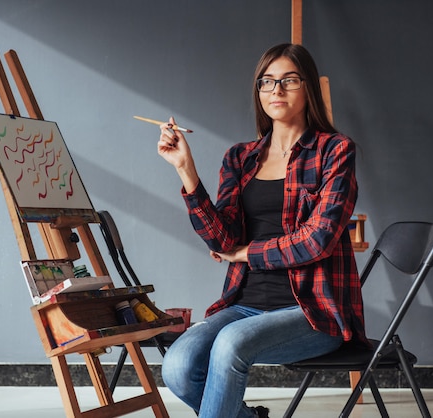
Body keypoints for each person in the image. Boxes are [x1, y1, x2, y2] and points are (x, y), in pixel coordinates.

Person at [157, 43, 368, 418]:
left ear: (308, 90)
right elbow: (222, 241)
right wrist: (185, 169)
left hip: (313, 311)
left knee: (229, 345)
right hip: (244, 305)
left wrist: (246, 253)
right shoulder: (240, 158)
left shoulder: (335, 151)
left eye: (289, 80)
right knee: (178, 365)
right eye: (266, 82)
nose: (276, 90)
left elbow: (317, 240)